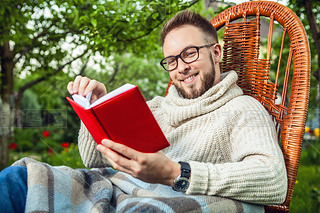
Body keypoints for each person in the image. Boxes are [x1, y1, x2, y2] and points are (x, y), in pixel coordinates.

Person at [0, 9, 287, 212]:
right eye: (171, 60)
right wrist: (96, 108)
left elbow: (273, 180)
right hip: (109, 189)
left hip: (161, 201)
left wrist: (177, 173)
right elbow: (92, 159)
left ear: (215, 52)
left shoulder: (242, 109)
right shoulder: (154, 107)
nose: (181, 67)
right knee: (17, 181)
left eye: (189, 53)